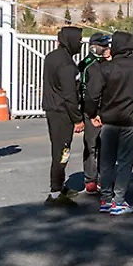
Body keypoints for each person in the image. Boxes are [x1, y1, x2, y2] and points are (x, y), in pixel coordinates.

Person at [85, 31, 133, 215]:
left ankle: (105, 198)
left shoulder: (105, 68)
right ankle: (119, 200)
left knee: (106, 160)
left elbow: (92, 94)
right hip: (130, 120)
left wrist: (92, 113)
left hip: (109, 120)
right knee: (125, 161)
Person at [42, 26, 85, 206]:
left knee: (58, 148)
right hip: (62, 113)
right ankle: (55, 192)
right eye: (79, 40)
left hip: (52, 109)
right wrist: (77, 119)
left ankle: (59, 185)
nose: (81, 43)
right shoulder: (67, 65)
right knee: (62, 151)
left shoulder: (52, 57)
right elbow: (69, 95)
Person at [77, 33, 111, 190]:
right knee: (91, 145)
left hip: (107, 109)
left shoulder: (108, 63)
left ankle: (103, 178)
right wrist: (89, 113)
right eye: (103, 46)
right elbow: (82, 90)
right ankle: (90, 179)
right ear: (94, 47)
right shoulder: (87, 64)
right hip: (91, 110)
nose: (107, 49)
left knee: (106, 145)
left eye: (108, 46)